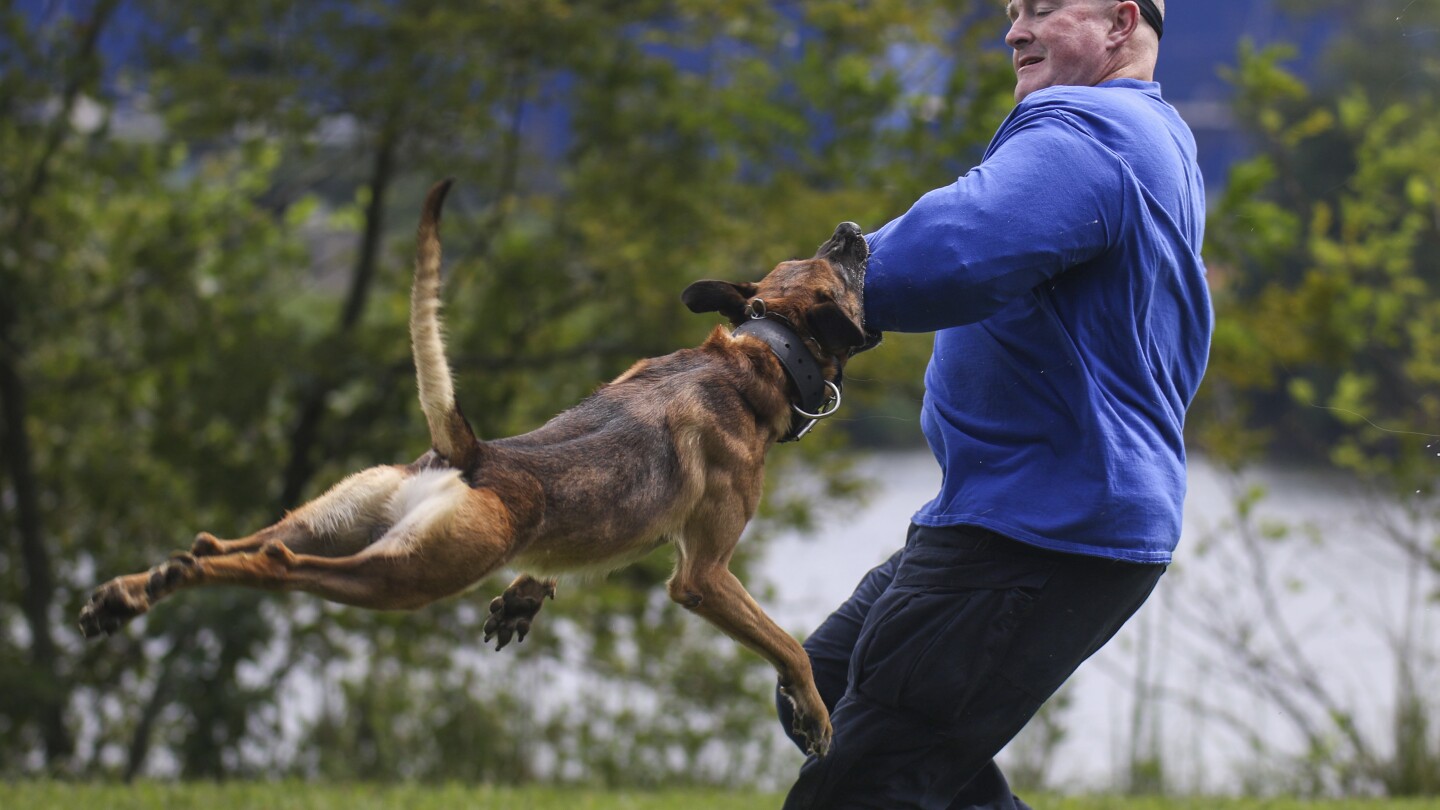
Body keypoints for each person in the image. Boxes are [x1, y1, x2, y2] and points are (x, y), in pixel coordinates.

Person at [776, 1, 1210, 807]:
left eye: (1043, 9)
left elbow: (951, 250)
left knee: (860, 788)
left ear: (1121, 23)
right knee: (824, 686)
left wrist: (789, 308)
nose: (1014, 31)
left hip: (1040, 530)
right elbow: (958, 232)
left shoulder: (1089, 134)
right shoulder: (1152, 133)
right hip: (1022, 512)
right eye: (1013, 12)